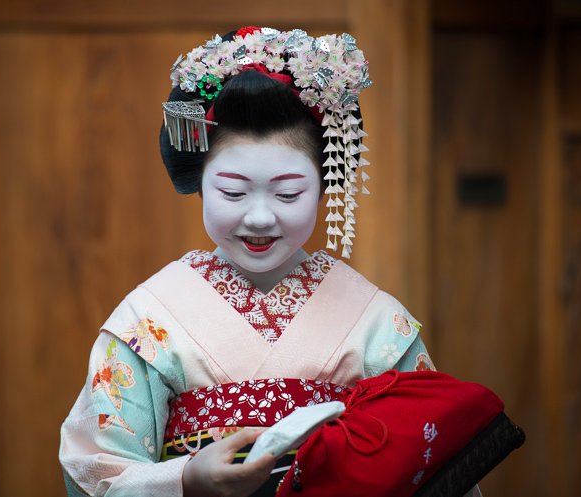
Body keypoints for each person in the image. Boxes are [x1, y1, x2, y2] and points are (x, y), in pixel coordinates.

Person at [59, 27, 454, 497]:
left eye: (289, 192)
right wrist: (185, 479)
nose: (261, 216)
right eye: (233, 191)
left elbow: (435, 459)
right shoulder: (148, 319)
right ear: (199, 181)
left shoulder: (375, 321)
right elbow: (96, 472)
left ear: (326, 183)